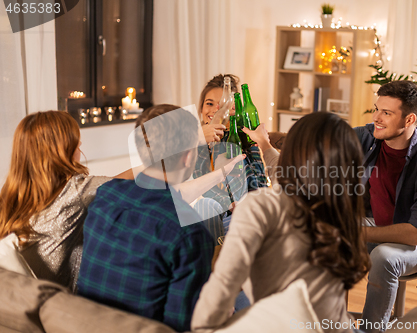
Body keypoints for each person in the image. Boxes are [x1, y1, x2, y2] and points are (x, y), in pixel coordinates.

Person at [191, 112, 371, 333]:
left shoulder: (260, 206)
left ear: (293, 154)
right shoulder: (343, 208)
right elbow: (282, 174)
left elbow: (222, 287)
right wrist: (264, 144)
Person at [77, 104, 214, 332]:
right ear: (189, 156)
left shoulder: (105, 195)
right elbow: (181, 324)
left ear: (141, 151)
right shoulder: (190, 232)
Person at [354, 81, 417, 332]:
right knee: (322, 234)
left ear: (409, 120)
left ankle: (371, 330)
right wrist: (267, 144)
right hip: (377, 223)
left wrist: (356, 232)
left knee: (383, 257)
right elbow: (315, 143)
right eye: (377, 109)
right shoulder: (366, 138)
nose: (376, 117)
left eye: (386, 113)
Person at [0, 111, 129, 292]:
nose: (80, 146)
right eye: (76, 142)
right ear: (62, 150)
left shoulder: (9, 193)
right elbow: (138, 178)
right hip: (61, 305)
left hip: (18, 301)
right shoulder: (73, 191)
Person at [193, 74, 268, 225]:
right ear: (201, 107)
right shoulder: (193, 140)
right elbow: (201, 185)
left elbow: (260, 185)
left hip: (246, 213)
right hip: (215, 213)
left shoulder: (243, 138)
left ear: (234, 108)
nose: (215, 110)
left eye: (223, 104)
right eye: (209, 104)